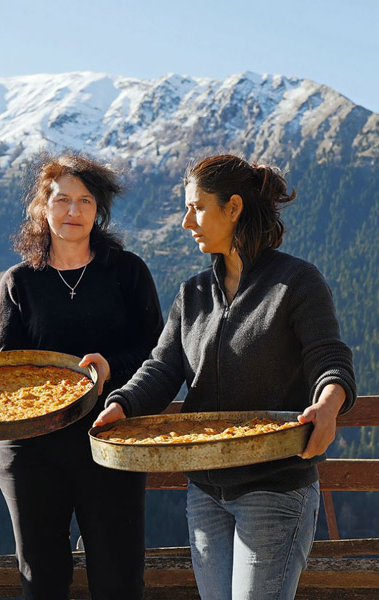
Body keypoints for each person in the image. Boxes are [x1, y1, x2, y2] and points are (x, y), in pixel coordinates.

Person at [95, 154, 357, 600]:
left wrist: (328, 405)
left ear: (233, 207)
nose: (185, 221)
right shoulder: (192, 293)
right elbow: (162, 367)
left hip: (274, 488)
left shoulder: (296, 283)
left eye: (196, 207)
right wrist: (121, 405)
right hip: (205, 491)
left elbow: (330, 359)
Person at [0, 154, 163, 599]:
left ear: (98, 209)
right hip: (32, 453)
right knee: (42, 582)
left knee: (118, 581)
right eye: (62, 199)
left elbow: (158, 354)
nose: (73, 211)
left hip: (110, 445)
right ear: (42, 208)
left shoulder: (127, 272)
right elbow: (3, 372)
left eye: (85, 200)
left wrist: (110, 368)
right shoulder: (19, 282)